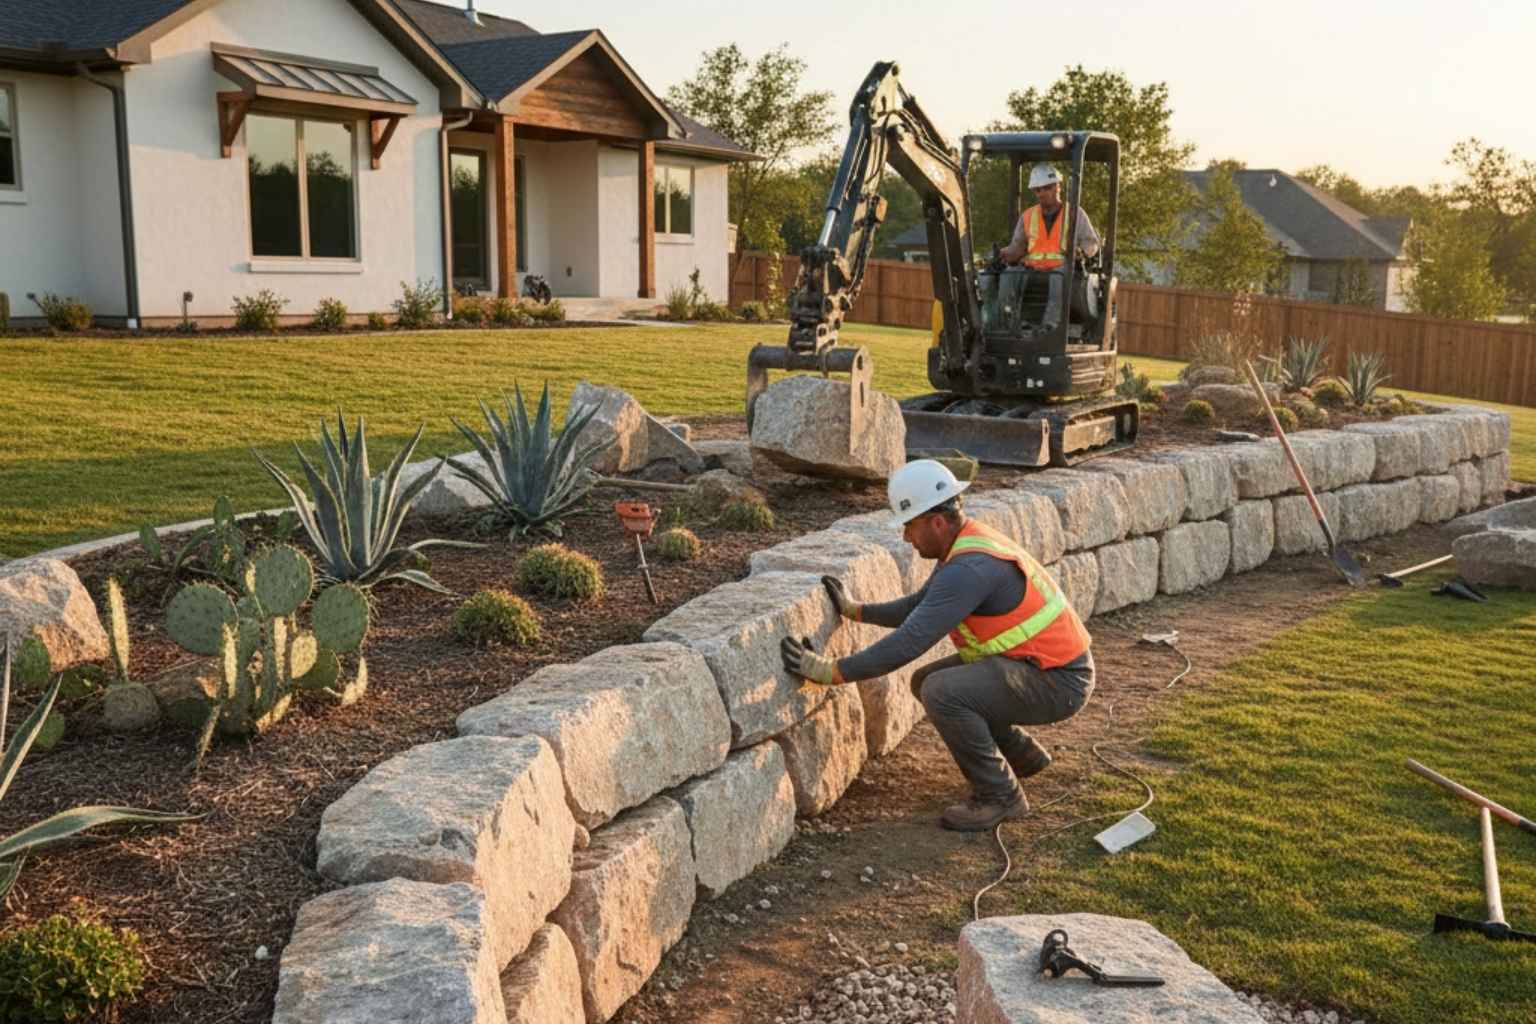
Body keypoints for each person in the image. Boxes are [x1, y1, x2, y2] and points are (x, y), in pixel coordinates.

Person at [779, 460, 1095, 832]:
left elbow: (911, 640)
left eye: (909, 525)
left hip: (1058, 682)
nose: (905, 538)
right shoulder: (964, 547)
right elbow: (919, 606)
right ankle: (1021, 755)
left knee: (943, 691)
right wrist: (856, 611)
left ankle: (1000, 795)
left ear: (937, 522)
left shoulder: (968, 569)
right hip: (1042, 667)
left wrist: (830, 671)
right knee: (926, 680)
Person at [998, 163, 1100, 270]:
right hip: (1032, 271)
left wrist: (1081, 253)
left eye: (1047, 188)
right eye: (1038, 190)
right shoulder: (1027, 216)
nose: (1042, 193)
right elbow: (1017, 247)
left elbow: (1090, 243)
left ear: (1058, 187)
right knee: (1007, 274)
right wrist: (1005, 254)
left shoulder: (1075, 213)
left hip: (1063, 272)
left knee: (1059, 277)